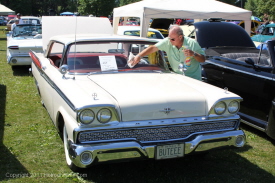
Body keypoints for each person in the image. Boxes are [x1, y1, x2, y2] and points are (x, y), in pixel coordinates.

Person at [131, 24, 205, 80]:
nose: (170, 41)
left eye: (172, 39)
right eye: (169, 38)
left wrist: (194, 54)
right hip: (179, 79)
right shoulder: (167, 42)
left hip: (194, 79)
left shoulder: (192, 43)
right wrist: (139, 56)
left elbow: (203, 59)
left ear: (180, 37)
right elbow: (153, 48)